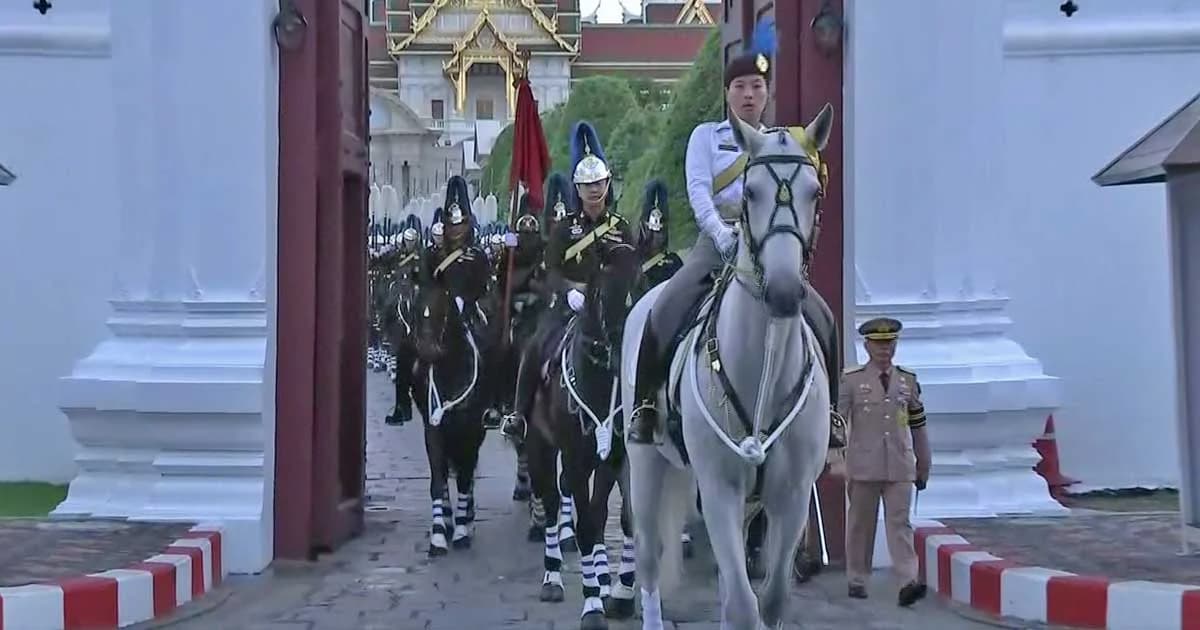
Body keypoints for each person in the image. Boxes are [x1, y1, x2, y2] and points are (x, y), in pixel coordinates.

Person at [625, 31, 842, 447]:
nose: (748, 95)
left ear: (767, 93)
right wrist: (722, 235)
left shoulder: (783, 142)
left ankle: (829, 415)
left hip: (766, 245)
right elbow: (699, 190)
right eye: (739, 87)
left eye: (756, 87)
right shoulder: (706, 137)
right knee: (666, 306)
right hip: (716, 240)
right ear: (727, 93)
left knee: (824, 319)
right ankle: (646, 408)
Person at [501, 121, 635, 439]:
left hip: (611, 308)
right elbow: (551, 270)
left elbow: (632, 267)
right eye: (587, 185)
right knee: (534, 347)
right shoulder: (564, 230)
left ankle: (644, 410)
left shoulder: (621, 226)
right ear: (577, 189)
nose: (593, 190)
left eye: (598, 183)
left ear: (607, 183)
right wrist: (570, 292)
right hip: (569, 307)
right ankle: (518, 415)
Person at [841, 317, 931, 606]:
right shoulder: (851, 380)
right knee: (860, 525)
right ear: (867, 345)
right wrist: (834, 459)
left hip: (900, 464)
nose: (884, 349)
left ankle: (908, 580)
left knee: (900, 524)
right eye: (878, 344)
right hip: (863, 465)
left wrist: (924, 462)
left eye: (889, 343)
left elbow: (917, 424)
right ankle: (857, 577)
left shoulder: (907, 380)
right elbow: (838, 424)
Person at [423, 178, 490, 337]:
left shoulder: (477, 256)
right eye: (452, 225)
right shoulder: (432, 255)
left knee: (484, 346)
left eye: (460, 224)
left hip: (468, 314)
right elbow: (426, 285)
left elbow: (483, 289)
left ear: (468, 225)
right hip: (437, 315)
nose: (456, 229)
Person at [637, 179, 683, 291]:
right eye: (652, 232)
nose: (656, 237)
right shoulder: (632, 261)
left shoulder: (674, 261)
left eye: (660, 232)